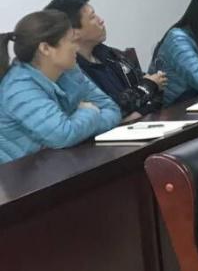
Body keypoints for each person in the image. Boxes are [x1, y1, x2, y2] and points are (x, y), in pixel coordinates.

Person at [0, 10, 121, 164]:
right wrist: (89, 111)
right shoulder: (19, 89)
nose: (77, 47)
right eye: (71, 41)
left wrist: (78, 127)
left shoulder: (69, 69)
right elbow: (64, 135)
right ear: (45, 49)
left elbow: (112, 110)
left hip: (68, 163)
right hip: (28, 176)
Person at [45, 0, 166, 120]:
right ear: (74, 33)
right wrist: (147, 87)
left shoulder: (108, 53)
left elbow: (156, 88)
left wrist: (140, 110)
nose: (101, 20)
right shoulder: (71, 72)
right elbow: (106, 112)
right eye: (92, 17)